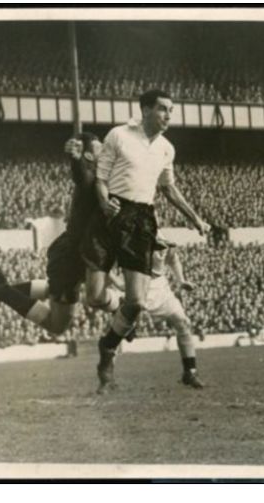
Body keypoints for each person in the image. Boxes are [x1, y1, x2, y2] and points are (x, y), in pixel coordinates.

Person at [81, 89, 211, 394]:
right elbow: (100, 178)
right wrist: (103, 202)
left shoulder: (167, 148)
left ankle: (107, 349)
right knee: (96, 297)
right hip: (109, 215)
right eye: (163, 109)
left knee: (136, 302)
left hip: (141, 220)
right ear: (145, 109)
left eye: (171, 110)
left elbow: (169, 189)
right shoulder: (118, 135)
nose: (168, 116)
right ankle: (115, 327)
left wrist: (196, 219)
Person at [0, 133, 112, 345]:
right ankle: (2, 290)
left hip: (76, 250)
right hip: (70, 257)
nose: (106, 152)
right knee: (57, 325)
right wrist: (74, 160)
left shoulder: (101, 179)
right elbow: (81, 177)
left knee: (54, 290)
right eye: (100, 150)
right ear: (88, 156)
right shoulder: (89, 177)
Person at [103, 232, 205, 389]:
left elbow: (173, 259)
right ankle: (107, 377)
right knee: (119, 332)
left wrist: (181, 280)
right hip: (134, 286)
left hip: (160, 287)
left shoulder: (164, 239)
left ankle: (190, 372)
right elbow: (108, 265)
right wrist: (118, 283)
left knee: (183, 323)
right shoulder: (127, 238)